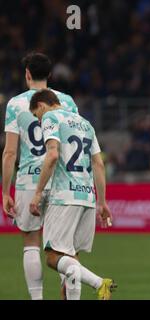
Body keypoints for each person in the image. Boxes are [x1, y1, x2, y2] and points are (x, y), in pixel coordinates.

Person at [2, 52, 78, 300]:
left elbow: (10, 152)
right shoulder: (66, 101)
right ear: (50, 75)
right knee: (63, 247)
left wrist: (5, 191)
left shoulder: (15, 104)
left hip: (27, 180)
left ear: (27, 75)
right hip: (60, 180)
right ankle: (69, 294)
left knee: (31, 242)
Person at [28, 89, 116, 300]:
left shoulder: (50, 117)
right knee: (70, 260)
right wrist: (102, 203)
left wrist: (38, 192)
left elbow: (52, 155)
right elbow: (99, 164)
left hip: (64, 197)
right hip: (87, 198)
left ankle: (98, 282)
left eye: (36, 115)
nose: (38, 120)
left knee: (52, 257)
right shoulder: (86, 123)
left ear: (41, 105)